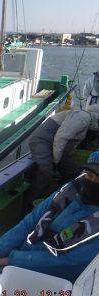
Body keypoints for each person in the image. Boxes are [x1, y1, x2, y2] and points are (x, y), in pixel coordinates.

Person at [0, 149, 99, 283]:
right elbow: (32, 220)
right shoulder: (72, 189)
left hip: (51, 279)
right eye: (90, 175)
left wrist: (14, 260)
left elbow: (70, 263)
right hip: (22, 256)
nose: (92, 181)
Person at [28, 72, 99, 200]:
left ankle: (65, 194)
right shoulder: (82, 117)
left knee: (74, 171)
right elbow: (61, 138)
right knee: (46, 171)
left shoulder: (86, 122)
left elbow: (68, 145)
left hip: (55, 146)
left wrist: (61, 160)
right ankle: (35, 200)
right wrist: (56, 161)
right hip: (42, 141)